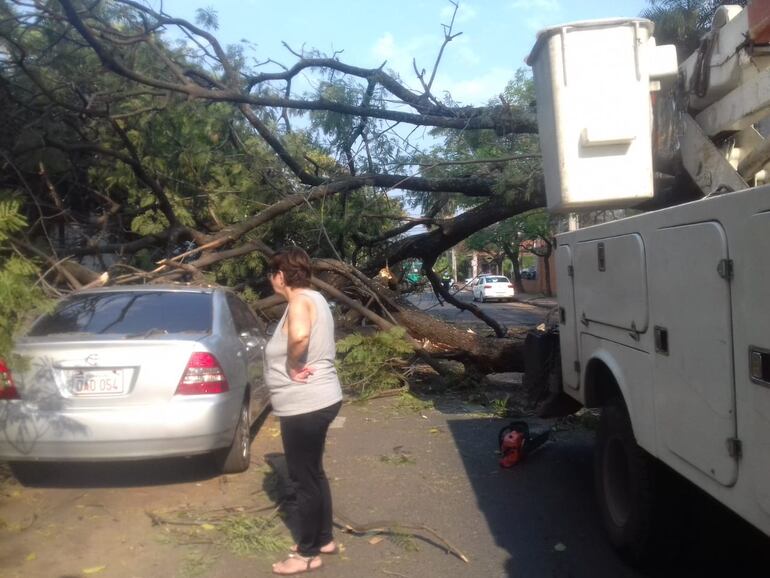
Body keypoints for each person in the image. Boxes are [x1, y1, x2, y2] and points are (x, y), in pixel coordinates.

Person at [263, 247, 343, 575]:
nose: (271, 280)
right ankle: (324, 538)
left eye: (272, 274)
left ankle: (308, 553)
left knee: (303, 479)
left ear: (280, 276)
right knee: (314, 472)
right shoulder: (316, 298)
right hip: (321, 399)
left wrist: (294, 364)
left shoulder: (297, 302)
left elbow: (300, 337)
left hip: (304, 404)